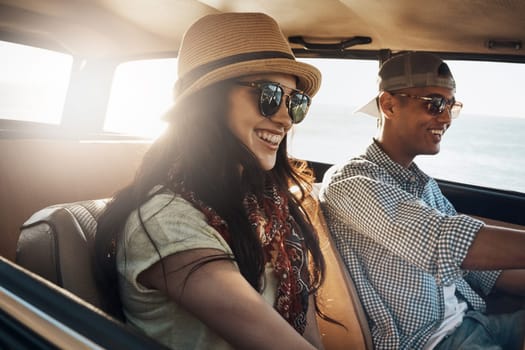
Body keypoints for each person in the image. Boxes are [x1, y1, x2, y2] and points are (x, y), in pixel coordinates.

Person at [95, 12, 327, 350]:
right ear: (207, 101)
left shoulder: (268, 210)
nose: (284, 119)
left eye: (295, 103)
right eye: (269, 95)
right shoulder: (167, 221)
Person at [319, 51, 525, 349]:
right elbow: (448, 243)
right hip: (432, 342)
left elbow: (483, 270)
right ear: (389, 105)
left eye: (450, 105)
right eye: (434, 104)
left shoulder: (422, 184)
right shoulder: (351, 183)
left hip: (475, 321)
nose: (445, 118)